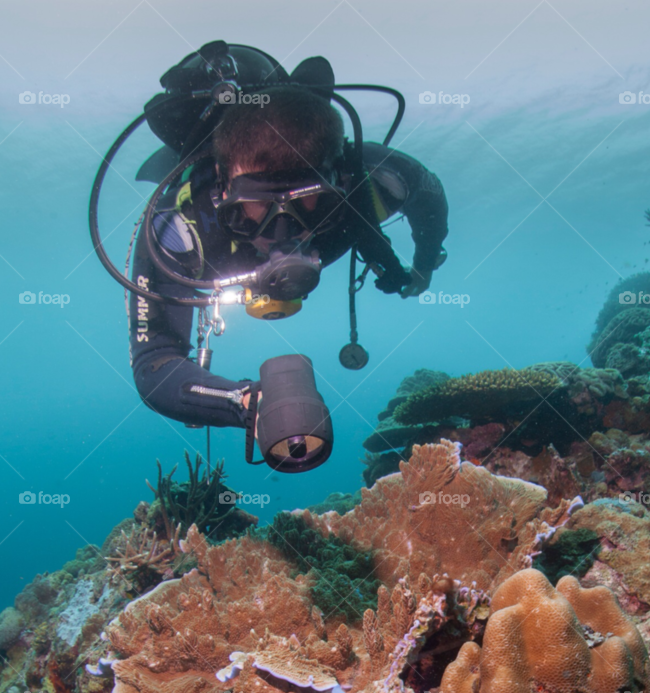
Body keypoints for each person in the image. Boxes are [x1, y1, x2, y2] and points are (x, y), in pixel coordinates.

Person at [129, 78, 449, 433]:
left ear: (340, 182)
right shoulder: (177, 228)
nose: (281, 232)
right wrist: (250, 403)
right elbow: (155, 366)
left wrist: (423, 266)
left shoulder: (376, 180)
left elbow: (429, 195)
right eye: (256, 207)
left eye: (307, 203)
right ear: (222, 191)